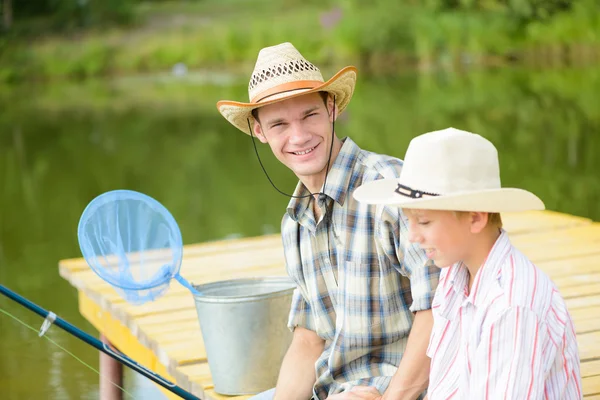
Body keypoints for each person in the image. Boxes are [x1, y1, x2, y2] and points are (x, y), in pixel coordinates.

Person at [216, 42, 440, 399]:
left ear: (331, 108)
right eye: (279, 124)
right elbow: (308, 340)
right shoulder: (295, 223)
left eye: (309, 115)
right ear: (260, 132)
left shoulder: (390, 188)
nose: (300, 136)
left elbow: (440, 312)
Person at [353, 127, 582, 399]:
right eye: (408, 221)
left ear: (475, 218)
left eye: (424, 221)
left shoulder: (511, 306)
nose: (412, 236)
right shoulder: (456, 272)